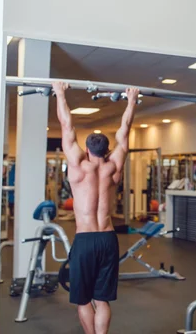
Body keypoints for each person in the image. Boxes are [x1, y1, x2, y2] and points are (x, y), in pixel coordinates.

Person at [52, 82, 140, 334]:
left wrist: (60, 93)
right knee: (102, 300)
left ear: (87, 149)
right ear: (107, 149)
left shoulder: (79, 167)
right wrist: (131, 100)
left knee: (82, 300)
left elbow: (67, 126)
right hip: (108, 238)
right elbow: (125, 130)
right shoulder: (114, 167)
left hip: (86, 239)